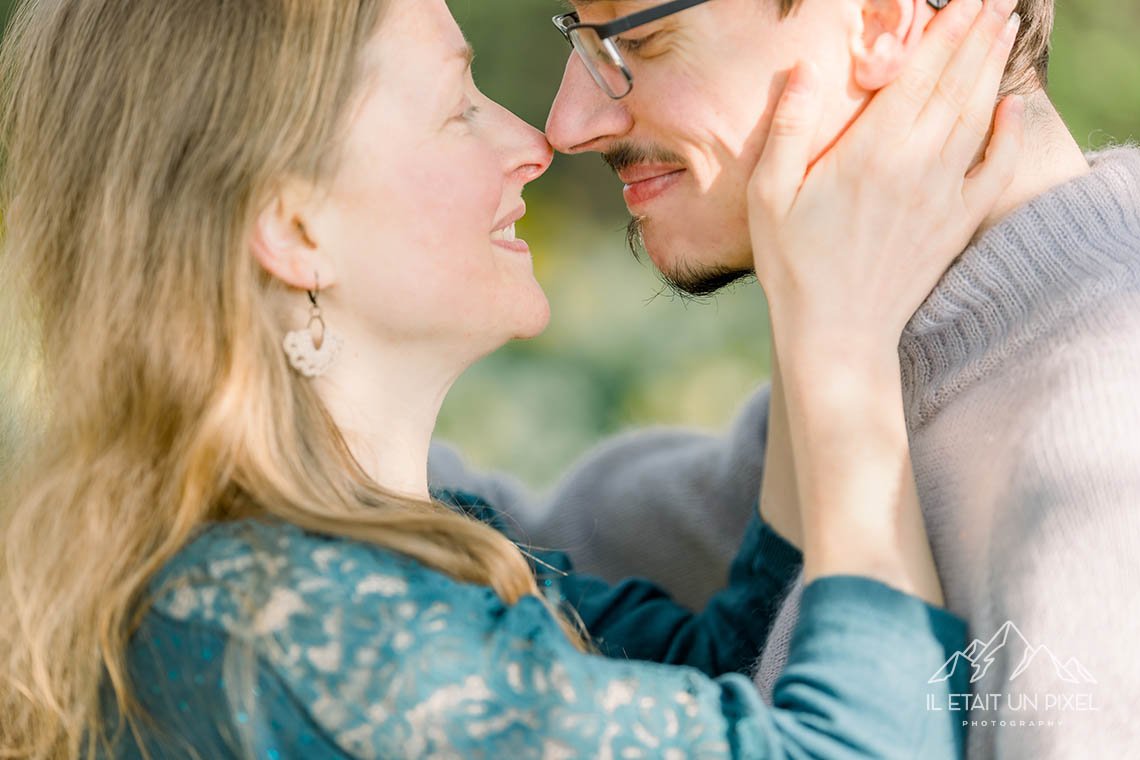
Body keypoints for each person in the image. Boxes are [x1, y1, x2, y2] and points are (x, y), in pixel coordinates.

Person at [0, 0, 1017, 757]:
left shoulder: (400, 552)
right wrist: (843, 348)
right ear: (294, 227)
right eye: (457, 107)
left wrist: (816, 267)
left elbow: (729, 669)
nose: (537, 141)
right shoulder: (288, 626)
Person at [431, 0, 1140, 755]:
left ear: (880, 20)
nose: (569, 123)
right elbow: (514, 563)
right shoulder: (891, 368)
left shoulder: (1101, 467)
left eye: (637, 40)